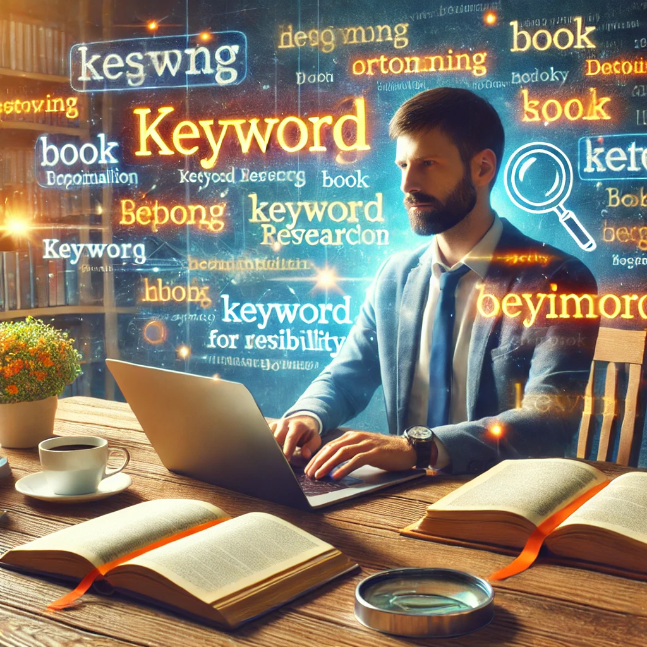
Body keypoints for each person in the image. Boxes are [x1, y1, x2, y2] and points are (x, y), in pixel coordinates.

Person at [270, 87, 599, 479]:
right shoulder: (395, 275)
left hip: (502, 502)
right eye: (403, 165)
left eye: (427, 163)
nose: (407, 184)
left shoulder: (556, 280)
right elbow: (347, 375)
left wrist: (419, 448)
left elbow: (547, 423)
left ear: (482, 168)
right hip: (400, 497)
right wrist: (309, 415)